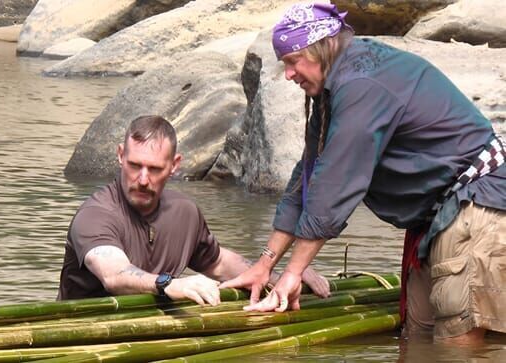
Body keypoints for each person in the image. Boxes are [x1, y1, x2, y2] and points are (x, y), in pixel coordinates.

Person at [221, 2, 505, 344]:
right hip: (438, 216)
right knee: (416, 338)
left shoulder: (362, 81)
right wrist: (264, 265)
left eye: (293, 62)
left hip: (475, 202)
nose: (289, 75)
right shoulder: (334, 87)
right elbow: (308, 178)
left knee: (458, 345)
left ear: (321, 49)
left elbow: (334, 188)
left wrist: (292, 274)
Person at [58, 115, 330, 305]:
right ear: (120, 156)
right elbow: (114, 275)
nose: (142, 179)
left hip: (156, 336)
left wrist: (284, 276)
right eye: (134, 165)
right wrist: (172, 284)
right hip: (87, 336)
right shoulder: (96, 214)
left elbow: (220, 263)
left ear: (175, 165)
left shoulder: (184, 213)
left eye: (154, 169)